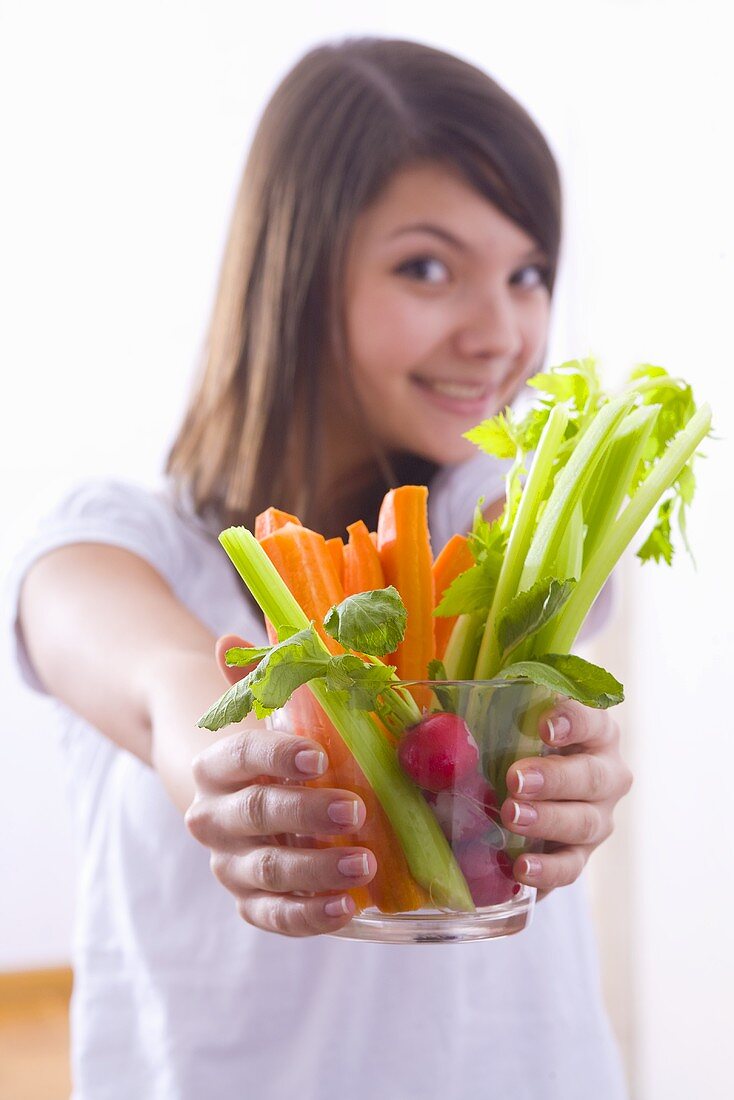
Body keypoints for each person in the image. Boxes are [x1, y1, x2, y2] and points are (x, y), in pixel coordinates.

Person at [8, 37, 633, 1100]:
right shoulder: (114, 542)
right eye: (426, 267)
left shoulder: (500, 534)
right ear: (295, 272)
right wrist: (234, 751)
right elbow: (155, 677)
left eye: (527, 273)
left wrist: (574, 773)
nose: (501, 333)